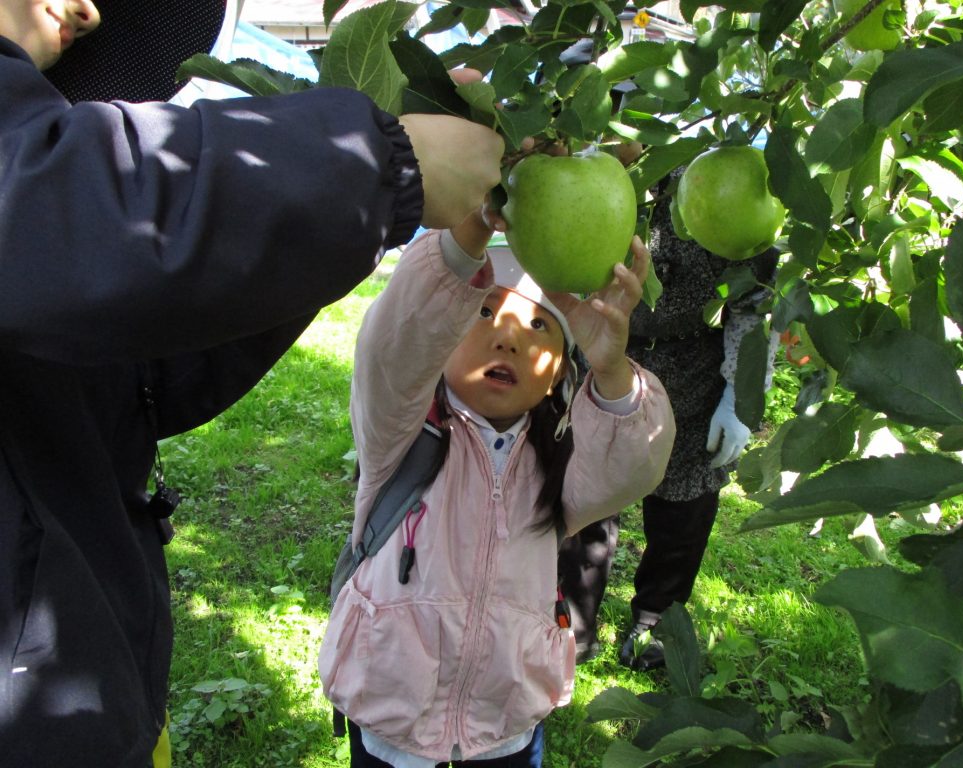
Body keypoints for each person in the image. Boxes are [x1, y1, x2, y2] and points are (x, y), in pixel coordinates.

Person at [0, 2, 503, 765]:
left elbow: (142, 378)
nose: (92, 8)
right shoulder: (32, 191)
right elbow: (53, 204)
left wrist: (325, 236)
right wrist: (383, 162)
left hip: (87, 691)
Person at [318, 204, 676, 767]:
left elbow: (634, 462)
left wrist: (612, 372)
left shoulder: (559, 462)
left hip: (504, 721)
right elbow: (396, 339)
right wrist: (474, 224)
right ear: (444, 335)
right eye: (484, 312)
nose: (508, 337)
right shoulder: (400, 430)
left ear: (560, 369)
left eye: (539, 325)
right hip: (392, 717)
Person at [558, 168, 779, 669]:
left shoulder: (712, 192)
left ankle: (655, 618)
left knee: (684, 507)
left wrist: (741, 396)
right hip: (605, 358)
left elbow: (752, 308)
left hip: (692, 377)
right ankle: (571, 619)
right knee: (586, 496)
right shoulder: (593, 187)